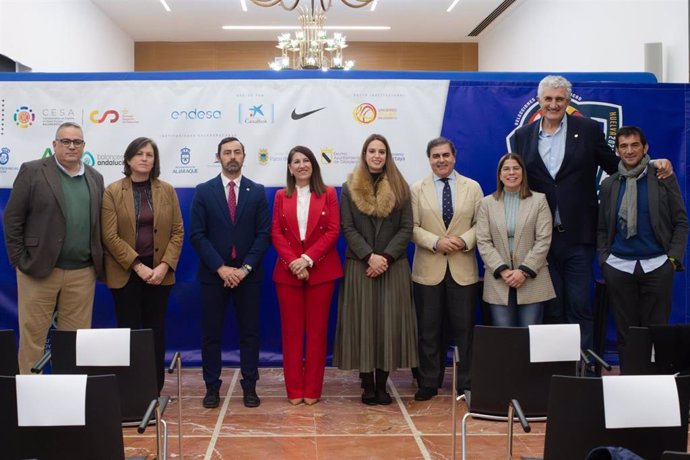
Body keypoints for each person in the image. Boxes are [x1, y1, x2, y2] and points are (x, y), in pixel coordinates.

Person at [510, 75, 672, 351]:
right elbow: (517, 183)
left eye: (559, 99)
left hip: (579, 237)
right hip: (540, 239)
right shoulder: (522, 137)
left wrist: (650, 164)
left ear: (568, 102)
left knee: (579, 306)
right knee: (552, 308)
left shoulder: (586, 129)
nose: (553, 104)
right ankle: (554, 367)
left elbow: (616, 166)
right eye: (548, 98)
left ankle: (582, 369)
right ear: (539, 101)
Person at [3, 122, 104, 374]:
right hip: (38, 271)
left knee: (75, 343)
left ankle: (67, 398)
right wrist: (19, 261)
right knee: (33, 339)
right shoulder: (33, 171)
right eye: (66, 141)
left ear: (83, 146)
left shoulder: (95, 177)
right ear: (54, 145)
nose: (72, 146)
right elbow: (13, 219)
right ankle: (30, 398)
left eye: (77, 142)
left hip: (82, 273)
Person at [333, 133, 417, 405]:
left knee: (388, 326)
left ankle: (382, 385)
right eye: (372, 151)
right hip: (361, 266)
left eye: (382, 151)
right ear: (364, 154)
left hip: (393, 267)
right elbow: (347, 227)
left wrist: (386, 258)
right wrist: (370, 256)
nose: (377, 155)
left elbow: (406, 228)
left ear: (387, 155)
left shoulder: (401, 186)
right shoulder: (349, 187)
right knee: (364, 325)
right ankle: (367, 385)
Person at [597, 126, 688, 370]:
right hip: (619, 267)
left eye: (634, 145)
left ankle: (656, 388)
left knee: (657, 332)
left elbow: (680, 221)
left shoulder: (661, 177)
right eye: (623, 146)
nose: (629, 151)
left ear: (645, 148)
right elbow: (603, 228)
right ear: (617, 151)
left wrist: (672, 260)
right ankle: (630, 384)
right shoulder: (610, 184)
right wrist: (605, 261)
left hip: (658, 266)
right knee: (626, 334)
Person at [190, 136, 271, 409]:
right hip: (214, 276)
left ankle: (250, 386)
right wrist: (221, 268)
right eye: (227, 152)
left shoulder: (256, 191)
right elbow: (197, 235)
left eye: (237, 152)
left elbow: (263, 235)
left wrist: (244, 268)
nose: (232, 156)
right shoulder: (204, 191)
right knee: (211, 335)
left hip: (248, 276)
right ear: (218, 157)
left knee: (250, 333)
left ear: (244, 157)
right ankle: (212, 387)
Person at [101, 137, 184, 394]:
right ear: (128, 159)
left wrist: (163, 266)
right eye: (139, 154)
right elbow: (109, 235)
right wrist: (138, 266)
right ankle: (129, 391)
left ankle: (153, 389)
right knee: (128, 333)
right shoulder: (113, 191)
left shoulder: (166, 190)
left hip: (159, 274)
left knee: (154, 332)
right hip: (126, 272)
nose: (145, 159)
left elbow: (177, 232)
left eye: (149, 154)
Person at [410, 136, 483, 401]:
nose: (441, 160)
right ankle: (429, 381)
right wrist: (436, 242)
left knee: (464, 329)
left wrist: (464, 241)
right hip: (428, 269)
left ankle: (466, 383)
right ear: (429, 160)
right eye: (435, 156)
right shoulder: (416, 189)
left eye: (445, 155)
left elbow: (480, 225)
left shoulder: (472, 188)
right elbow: (413, 227)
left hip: (463, 269)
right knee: (428, 329)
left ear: (454, 157)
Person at [271, 146, 343, 406]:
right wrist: (293, 261)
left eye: (305, 160)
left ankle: (312, 390)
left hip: (321, 271)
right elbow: (276, 232)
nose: (301, 165)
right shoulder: (281, 196)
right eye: (296, 161)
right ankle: (294, 390)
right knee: (291, 333)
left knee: (316, 332)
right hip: (288, 273)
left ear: (313, 165)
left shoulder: (330, 194)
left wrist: (307, 259)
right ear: (289, 168)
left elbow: (333, 231)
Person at [476, 153, 555, 327]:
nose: (511, 173)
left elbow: (543, 240)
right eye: (506, 169)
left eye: (516, 168)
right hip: (499, 280)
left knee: (530, 338)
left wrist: (523, 271)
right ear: (499, 174)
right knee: (505, 340)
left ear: (523, 172)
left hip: (532, 279)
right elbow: (483, 241)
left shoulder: (539, 200)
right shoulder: (486, 204)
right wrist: (503, 270)